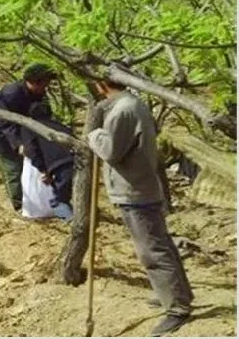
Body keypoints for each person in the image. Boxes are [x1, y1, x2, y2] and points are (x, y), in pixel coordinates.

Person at [87, 78, 194, 337]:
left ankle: (177, 307)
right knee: (161, 244)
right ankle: (176, 294)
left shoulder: (124, 110)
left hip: (135, 190)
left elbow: (111, 151)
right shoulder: (135, 104)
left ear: (102, 85)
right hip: (141, 186)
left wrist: (94, 132)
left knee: (152, 250)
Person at [0, 63, 58, 211]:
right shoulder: (11, 94)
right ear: (34, 82)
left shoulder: (39, 94)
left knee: (30, 168)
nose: (46, 87)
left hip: (23, 134)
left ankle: (37, 202)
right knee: (14, 170)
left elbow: (44, 116)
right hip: (0, 138)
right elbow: (2, 120)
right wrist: (18, 143)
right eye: (44, 83)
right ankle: (19, 206)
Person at [21, 101, 75, 221]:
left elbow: (31, 151)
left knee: (59, 199)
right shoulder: (61, 126)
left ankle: (69, 220)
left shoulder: (30, 128)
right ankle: (72, 216)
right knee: (70, 193)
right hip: (76, 161)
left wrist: (43, 171)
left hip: (59, 164)